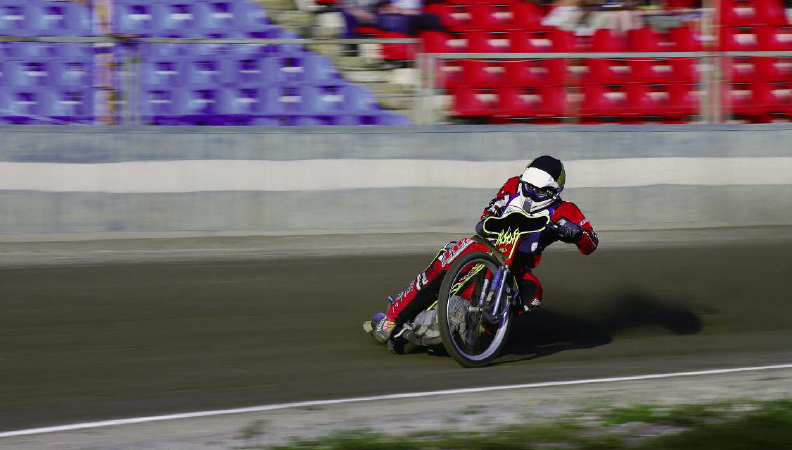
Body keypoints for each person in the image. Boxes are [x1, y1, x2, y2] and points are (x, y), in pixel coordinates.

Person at [371, 155, 599, 344]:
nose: (528, 193)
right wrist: (491, 214)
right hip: (484, 246)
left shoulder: (567, 211)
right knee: (443, 265)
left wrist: (577, 234)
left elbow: (592, 242)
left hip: (517, 267)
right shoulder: (512, 185)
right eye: (526, 186)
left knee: (533, 294)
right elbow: (489, 212)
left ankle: (478, 333)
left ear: (553, 192)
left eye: (536, 191)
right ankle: (392, 318)